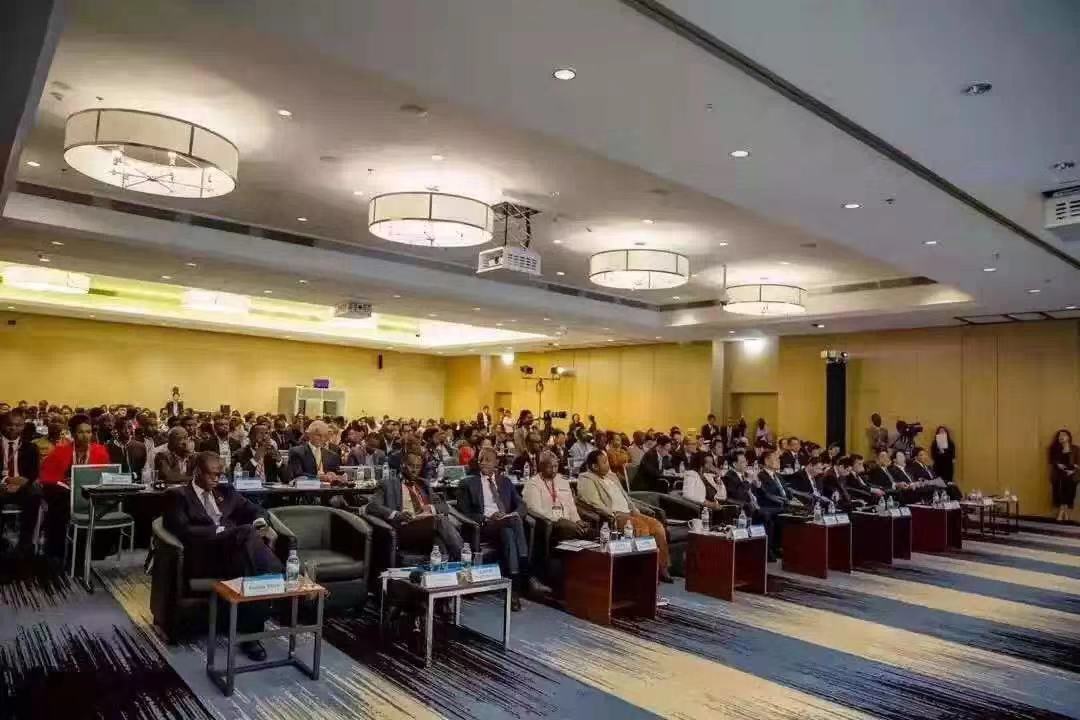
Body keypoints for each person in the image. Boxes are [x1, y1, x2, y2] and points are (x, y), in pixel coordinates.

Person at [163, 452, 281, 661]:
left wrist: (259, 521)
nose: (217, 479)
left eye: (220, 474)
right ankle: (281, 575)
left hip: (234, 552)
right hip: (202, 556)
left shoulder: (226, 492)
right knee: (246, 535)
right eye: (212, 474)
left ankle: (251, 635)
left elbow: (256, 510)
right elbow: (182, 530)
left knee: (249, 560)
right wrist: (222, 531)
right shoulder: (179, 495)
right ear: (198, 472)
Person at [457, 448, 545, 609]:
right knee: (514, 523)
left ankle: (514, 591)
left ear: (496, 463)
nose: (483, 462)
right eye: (481, 459)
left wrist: (515, 514)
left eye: (488, 460)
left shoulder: (505, 482)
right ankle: (526, 570)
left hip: (506, 523)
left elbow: (522, 505)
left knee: (510, 532)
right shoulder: (468, 483)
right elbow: (465, 512)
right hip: (485, 525)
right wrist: (487, 517)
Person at [577, 449, 672, 582]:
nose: (608, 464)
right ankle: (644, 574)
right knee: (641, 528)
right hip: (615, 515)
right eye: (604, 462)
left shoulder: (612, 476)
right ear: (594, 466)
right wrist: (611, 514)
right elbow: (593, 502)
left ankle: (662, 568)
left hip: (630, 512)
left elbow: (626, 497)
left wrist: (634, 509)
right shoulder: (586, 479)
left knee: (657, 526)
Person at [364, 450, 465, 560]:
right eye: (411, 466)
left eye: (418, 467)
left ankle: (448, 565)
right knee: (440, 520)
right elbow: (372, 506)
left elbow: (444, 507)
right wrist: (397, 514)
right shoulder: (387, 484)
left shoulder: (424, 484)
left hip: (428, 524)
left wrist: (431, 508)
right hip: (405, 526)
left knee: (439, 541)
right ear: (402, 465)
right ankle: (465, 557)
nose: (414, 470)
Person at [39, 414, 111, 556]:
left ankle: (87, 553)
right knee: (58, 501)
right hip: (65, 496)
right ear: (72, 433)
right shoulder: (60, 451)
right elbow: (46, 477)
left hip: (90, 495)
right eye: (80, 432)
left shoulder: (100, 451)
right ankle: (56, 552)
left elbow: (105, 476)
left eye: (88, 432)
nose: (85, 436)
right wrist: (65, 483)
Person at [0, 411, 43, 555]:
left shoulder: (31, 447)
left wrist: (21, 483)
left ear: (23, 426)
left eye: (17, 425)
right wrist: (5, 481)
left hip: (23, 486)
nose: (13, 428)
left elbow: (33, 473)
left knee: (35, 494)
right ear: (2, 425)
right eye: (9, 425)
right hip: (1, 486)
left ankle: (25, 541)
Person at [1049, 429, 1079, 522]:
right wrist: (1059, 465)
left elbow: (1078, 463)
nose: (1061, 437)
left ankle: (1061, 513)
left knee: (1069, 494)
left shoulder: (1076, 449)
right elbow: (1053, 462)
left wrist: (1073, 470)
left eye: (1063, 435)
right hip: (1059, 475)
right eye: (1059, 435)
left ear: (1068, 437)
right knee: (1060, 493)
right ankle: (1064, 514)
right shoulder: (1055, 449)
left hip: (1072, 475)